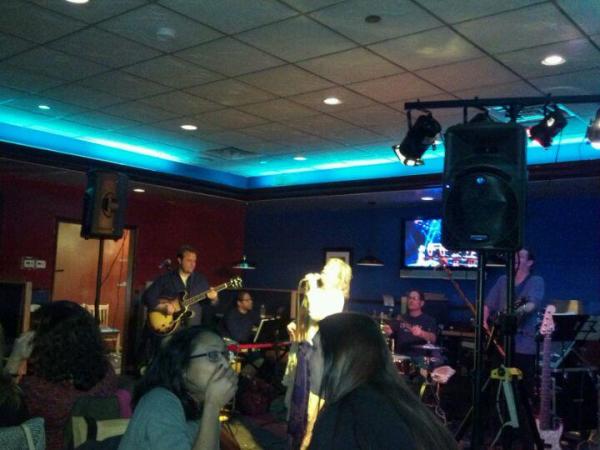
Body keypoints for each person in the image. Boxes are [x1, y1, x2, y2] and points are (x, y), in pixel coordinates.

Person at [308, 312, 458, 450]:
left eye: (314, 348)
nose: (307, 357)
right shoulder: (401, 404)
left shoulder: (343, 420)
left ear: (340, 356)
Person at [3, 301, 118, 450]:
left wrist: (15, 358)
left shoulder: (38, 389)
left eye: (35, 330)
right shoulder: (107, 374)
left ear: (48, 340)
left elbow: (5, 410)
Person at [118, 326, 238, 450]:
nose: (226, 364)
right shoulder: (160, 402)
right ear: (182, 366)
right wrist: (213, 406)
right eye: (213, 355)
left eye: (226, 355)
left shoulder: (200, 405)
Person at [285, 258, 352, 450]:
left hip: (319, 355)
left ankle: (308, 444)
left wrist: (313, 286)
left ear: (339, 279)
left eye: (330, 268)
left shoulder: (336, 296)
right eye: (325, 266)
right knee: (297, 402)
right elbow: (308, 320)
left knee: (312, 406)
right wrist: (296, 325)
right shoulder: (317, 292)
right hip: (305, 351)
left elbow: (317, 314)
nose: (324, 269)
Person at [484, 248, 544, 396]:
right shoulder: (503, 280)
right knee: (496, 383)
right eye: (515, 255)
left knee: (521, 387)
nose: (516, 258)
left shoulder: (535, 281)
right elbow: (488, 305)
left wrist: (516, 312)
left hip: (524, 343)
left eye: (521, 256)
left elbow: (532, 304)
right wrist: (483, 320)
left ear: (530, 262)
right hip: (501, 341)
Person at [144, 245, 218, 328]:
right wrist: (162, 308)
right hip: (170, 326)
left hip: (193, 328)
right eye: (189, 260)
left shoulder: (201, 280)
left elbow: (208, 304)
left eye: (194, 261)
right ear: (180, 260)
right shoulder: (166, 278)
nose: (193, 264)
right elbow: (147, 297)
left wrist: (214, 299)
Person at [383, 289, 437, 358]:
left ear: (421, 303)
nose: (411, 301)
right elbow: (391, 332)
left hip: (419, 359)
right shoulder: (400, 318)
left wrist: (421, 333)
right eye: (409, 298)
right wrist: (388, 331)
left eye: (414, 298)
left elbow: (433, 338)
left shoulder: (428, 320)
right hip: (401, 357)